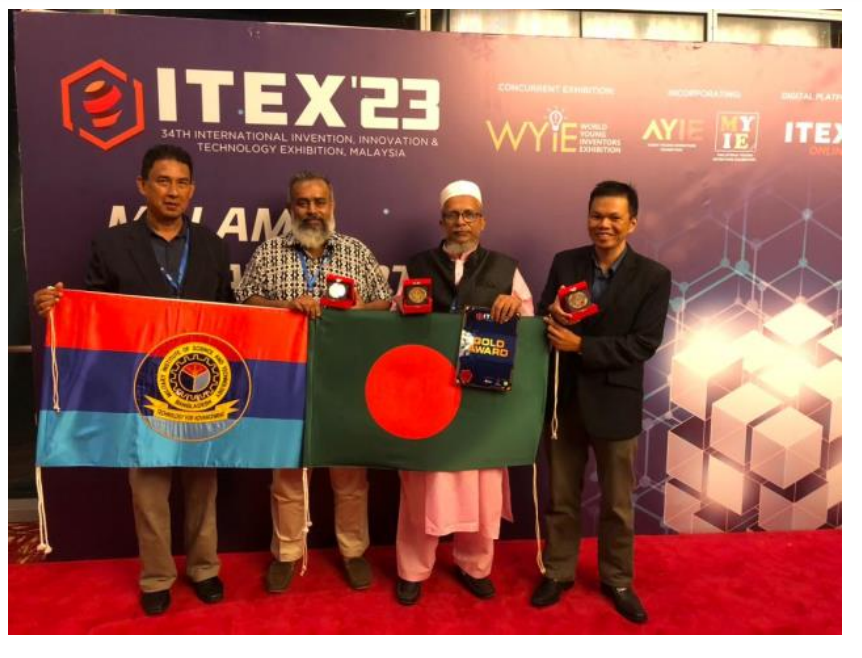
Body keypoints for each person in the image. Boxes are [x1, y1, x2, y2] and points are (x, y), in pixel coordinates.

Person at [33, 144, 234, 616]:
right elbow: (95, 312)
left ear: (192, 190)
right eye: (163, 181)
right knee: (148, 487)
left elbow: (228, 311)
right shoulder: (111, 244)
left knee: (203, 484)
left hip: (201, 385)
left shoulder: (212, 245)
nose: (173, 192)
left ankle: (204, 568)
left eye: (182, 183)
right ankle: (157, 576)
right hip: (140, 389)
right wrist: (58, 307)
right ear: (142, 186)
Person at [236, 171, 392, 593]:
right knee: (287, 474)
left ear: (332, 206)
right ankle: (287, 553)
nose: (312, 210)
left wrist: (355, 312)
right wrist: (287, 306)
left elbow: (387, 302)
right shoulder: (269, 253)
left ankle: (353, 551)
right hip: (285, 379)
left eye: (319, 202)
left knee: (350, 475)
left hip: (346, 381)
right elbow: (245, 301)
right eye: (303, 203)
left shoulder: (356, 251)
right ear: (291, 209)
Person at [530, 180, 671, 624]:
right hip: (564, 400)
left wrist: (581, 347)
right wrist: (551, 315)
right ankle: (558, 571)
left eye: (614, 217)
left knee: (617, 504)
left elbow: (644, 343)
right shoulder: (566, 262)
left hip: (615, 402)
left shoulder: (653, 276)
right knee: (561, 497)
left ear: (632, 222)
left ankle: (618, 580)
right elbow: (544, 313)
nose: (603, 224)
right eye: (596, 215)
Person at [393, 180, 533, 605]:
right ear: (442, 222)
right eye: (453, 215)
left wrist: (516, 308)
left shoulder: (506, 268)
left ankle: (475, 565)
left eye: (469, 214)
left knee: (481, 484)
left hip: (481, 399)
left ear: (482, 221)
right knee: (422, 486)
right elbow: (396, 319)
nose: (461, 222)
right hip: (428, 397)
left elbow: (529, 322)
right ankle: (413, 569)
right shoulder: (418, 265)